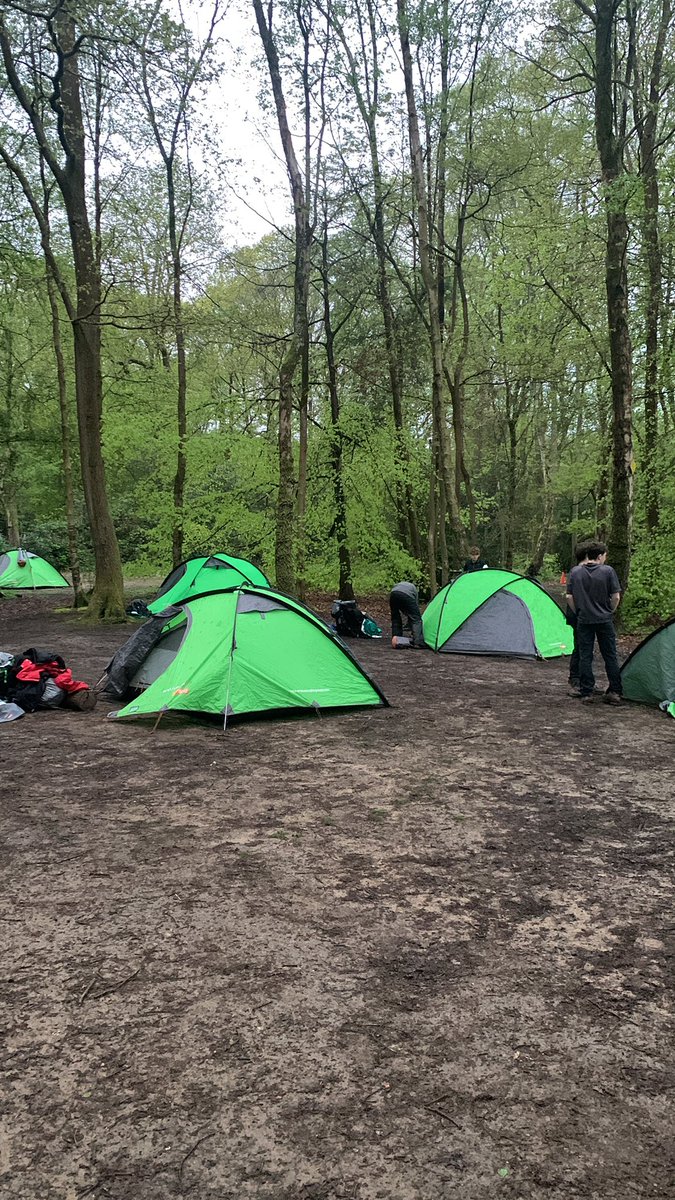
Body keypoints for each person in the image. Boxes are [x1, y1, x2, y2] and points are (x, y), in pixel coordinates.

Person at [565, 541, 622, 704]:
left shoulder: (575, 572)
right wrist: (610, 610)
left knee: (585, 655)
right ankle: (615, 691)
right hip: (604, 619)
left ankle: (586, 691)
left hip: (584, 619)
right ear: (599, 556)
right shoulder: (608, 571)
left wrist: (578, 611)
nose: (605, 559)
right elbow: (616, 596)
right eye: (605, 556)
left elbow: (569, 596)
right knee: (610, 654)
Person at [565, 542, 590, 694]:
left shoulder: (576, 571)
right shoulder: (578, 571)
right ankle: (576, 678)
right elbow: (571, 596)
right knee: (580, 647)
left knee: (580, 646)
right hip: (578, 614)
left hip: (577, 613)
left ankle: (578, 678)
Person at [389, 581, 426, 648]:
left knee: (395, 618)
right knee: (416, 619)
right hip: (406, 595)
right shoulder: (413, 589)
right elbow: (414, 608)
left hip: (393, 594)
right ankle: (418, 642)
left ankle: (396, 639)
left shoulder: (399, 584)